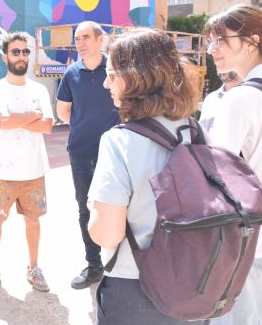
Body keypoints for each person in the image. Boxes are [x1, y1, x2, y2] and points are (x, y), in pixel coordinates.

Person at [87, 28, 202, 324]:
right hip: (195, 280)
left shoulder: (119, 141)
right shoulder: (194, 129)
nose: (105, 83)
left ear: (138, 77)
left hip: (136, 286)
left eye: (112, 75)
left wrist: (92, 214)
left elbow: (107, 233)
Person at [205, 5, 262, 325]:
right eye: (210, 42)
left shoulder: (240, 99)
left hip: (245, 238)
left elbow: (214, 177)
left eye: (221, 40)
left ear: (251, 41)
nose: (212, 49)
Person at [0, 31, 54, 293]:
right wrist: (33, 115)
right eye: (16, 52)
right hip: (1, 171)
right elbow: (2, 121)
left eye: (25, 51)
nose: (21, 56)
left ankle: (33, 268)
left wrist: (19, 117)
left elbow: (47, 126)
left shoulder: (39, 90)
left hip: (33, 170)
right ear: (5, 57)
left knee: (33, 222)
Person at [56, 21, 119, 289]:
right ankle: (94, 266)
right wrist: (84, 127)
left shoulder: (114, 71)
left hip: (114, 153)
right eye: (77, 38)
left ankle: (119, 265)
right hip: (80, 152)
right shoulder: (71, 73)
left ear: (99, 39)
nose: (80, 42)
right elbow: (63, 112)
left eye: (85, 37)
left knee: (118, 207)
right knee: (86, 209)